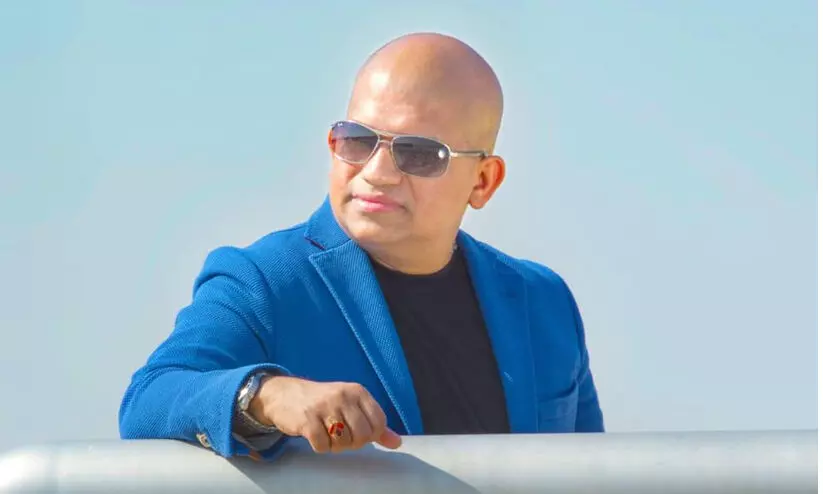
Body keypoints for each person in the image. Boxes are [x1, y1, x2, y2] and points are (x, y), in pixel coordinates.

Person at [118, 32, 604, 462]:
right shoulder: (264, 280)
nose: (377, 171)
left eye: (418, 152)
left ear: (483, 181)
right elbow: (148, 399)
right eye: (358, 139)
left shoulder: (545, 302)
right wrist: (267, 396)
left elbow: (595, 472)